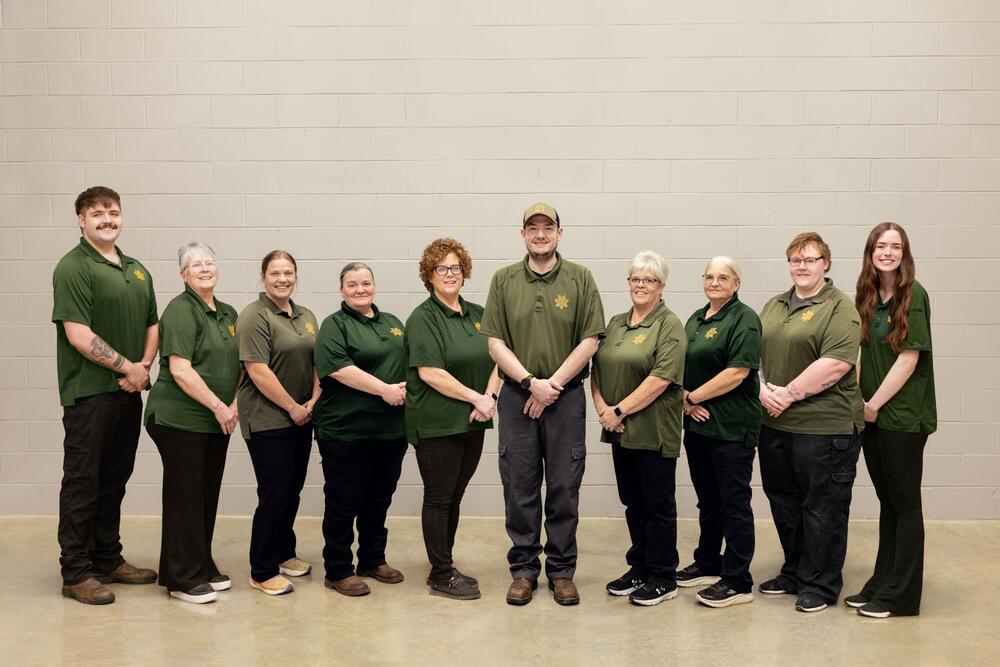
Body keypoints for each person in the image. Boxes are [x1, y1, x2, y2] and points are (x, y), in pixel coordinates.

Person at [481, 203, 605, 606]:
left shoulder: (580, 278)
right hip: (518, 396)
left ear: (559, 232)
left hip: (565, 398)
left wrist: (551, 385)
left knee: (565, 487)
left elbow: (590, 340)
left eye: (547, 227)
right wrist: (530, 382)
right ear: (522, 234)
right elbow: (494, 342)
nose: (540, 234)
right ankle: (523, 571)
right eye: (532, 228)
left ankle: (562, 572)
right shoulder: (503, 280)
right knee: (519, 485)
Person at [52, 186, 159, 605]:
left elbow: (153, 323)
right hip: (89, 393)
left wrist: (143, 369)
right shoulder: (73, 267)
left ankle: (106, 559)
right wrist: (127, 367)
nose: (107, 219)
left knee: (114, 480)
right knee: (83, 482)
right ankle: (75, 572)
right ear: (81, 220)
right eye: (97, 213)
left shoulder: (135, 268)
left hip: (129, 390)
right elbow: (78, 335)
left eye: (113, 211)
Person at [757, 232, 864, 613]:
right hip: (775, 425)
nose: (802, 266)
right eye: (795, 260)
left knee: (823, 507)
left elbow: (837, 362)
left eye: (810, 259)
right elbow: (755, 355)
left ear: (826, 263)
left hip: (825, 427)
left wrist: (787, 394)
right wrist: (761, 390)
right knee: (784, 501)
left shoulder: (839, 307)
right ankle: (795, 571)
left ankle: (820, 583)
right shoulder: (774, 305)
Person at [846, 223, 936, 618]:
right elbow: (862, 353)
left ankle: (901, 597)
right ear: (871, 252)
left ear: (905, 253)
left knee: (905, 504)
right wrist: (859, 400)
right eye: (881, 245)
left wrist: (874, 403)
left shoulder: (913, 295)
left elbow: (908, 358)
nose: (887, 252)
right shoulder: (867, 297)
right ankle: (883, 581)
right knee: (888, 504)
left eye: (895, 246)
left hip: (901, 415)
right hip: (872, 414)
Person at [405, 239, 501, 601]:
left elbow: (498, 359)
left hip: (474, 420)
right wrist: (477, 397)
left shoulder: (478, 314)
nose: (450, 274)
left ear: (465, 272)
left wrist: (489, 398)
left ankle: (445, 564)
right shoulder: (423, 318)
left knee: (455, 496)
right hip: (437, 423)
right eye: (441, 268)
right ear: (429, 275)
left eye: (455, 268)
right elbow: (431, 372)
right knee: (440, 497)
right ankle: (441, 574)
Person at [144, 243, 240, 604]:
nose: (204, 269)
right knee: (185, 495)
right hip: (179, 419)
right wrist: (219, 406)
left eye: (209, 263)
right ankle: (182, 579)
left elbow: (239, 366)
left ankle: (198, 563)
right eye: (195, 265)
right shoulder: (181, 310)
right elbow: (180, 370)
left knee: (205, 493)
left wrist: (231, 406)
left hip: (217, 418)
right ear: (183, 274)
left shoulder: (228, 312)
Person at [592, 251, 686, 607]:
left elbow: (661, 378)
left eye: (649, 280)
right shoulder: (616, 323)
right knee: (633, 502)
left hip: (652, 431)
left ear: (661, 287)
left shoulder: (669, 325)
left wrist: (618, 410)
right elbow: (596, 370)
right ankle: (641, 567)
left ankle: (663, 575)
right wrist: (603, 409)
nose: (641, 285)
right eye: (636, 279)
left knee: (657, 505)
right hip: (619, 430)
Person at [313, 262, 409, 597]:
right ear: (342, 290)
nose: (359, 290)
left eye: (365, 283)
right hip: (345, 431)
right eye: (351, 284)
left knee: (378, 499)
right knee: (343, 501)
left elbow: (409, 361)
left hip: (390, 431)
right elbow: (338, 368)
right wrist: (384, 389)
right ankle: (338, 570)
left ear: (374, 287)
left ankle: (372, 559)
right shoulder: (334, 326)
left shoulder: (394, 323)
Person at [236, 250, 321, 596]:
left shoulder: (306, 315)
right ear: (263, 277)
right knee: (274, 492)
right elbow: (257, 370)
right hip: (268, 418)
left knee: (292, 489)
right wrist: (291, 406)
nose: (282, 279)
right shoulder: (254, 316)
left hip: (302, 415)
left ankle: (284, 552)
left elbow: (318, 361)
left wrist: (312, 402)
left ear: (296, 275)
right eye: (275, 273)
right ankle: (262, 568)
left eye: (288, 272)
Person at [678, 257, 761, 608]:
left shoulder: (745, 319)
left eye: (723, 277)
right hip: (697, 427)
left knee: (734, 504)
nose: (714, 282)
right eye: (709, 276)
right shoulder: (696, 319)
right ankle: (709, 561)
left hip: (731, 428)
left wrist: (694, 396)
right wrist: (684, 399)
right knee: (708, 501)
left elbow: (738, 372)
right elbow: (677, 362)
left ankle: (738, 579)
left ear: (737, 284)